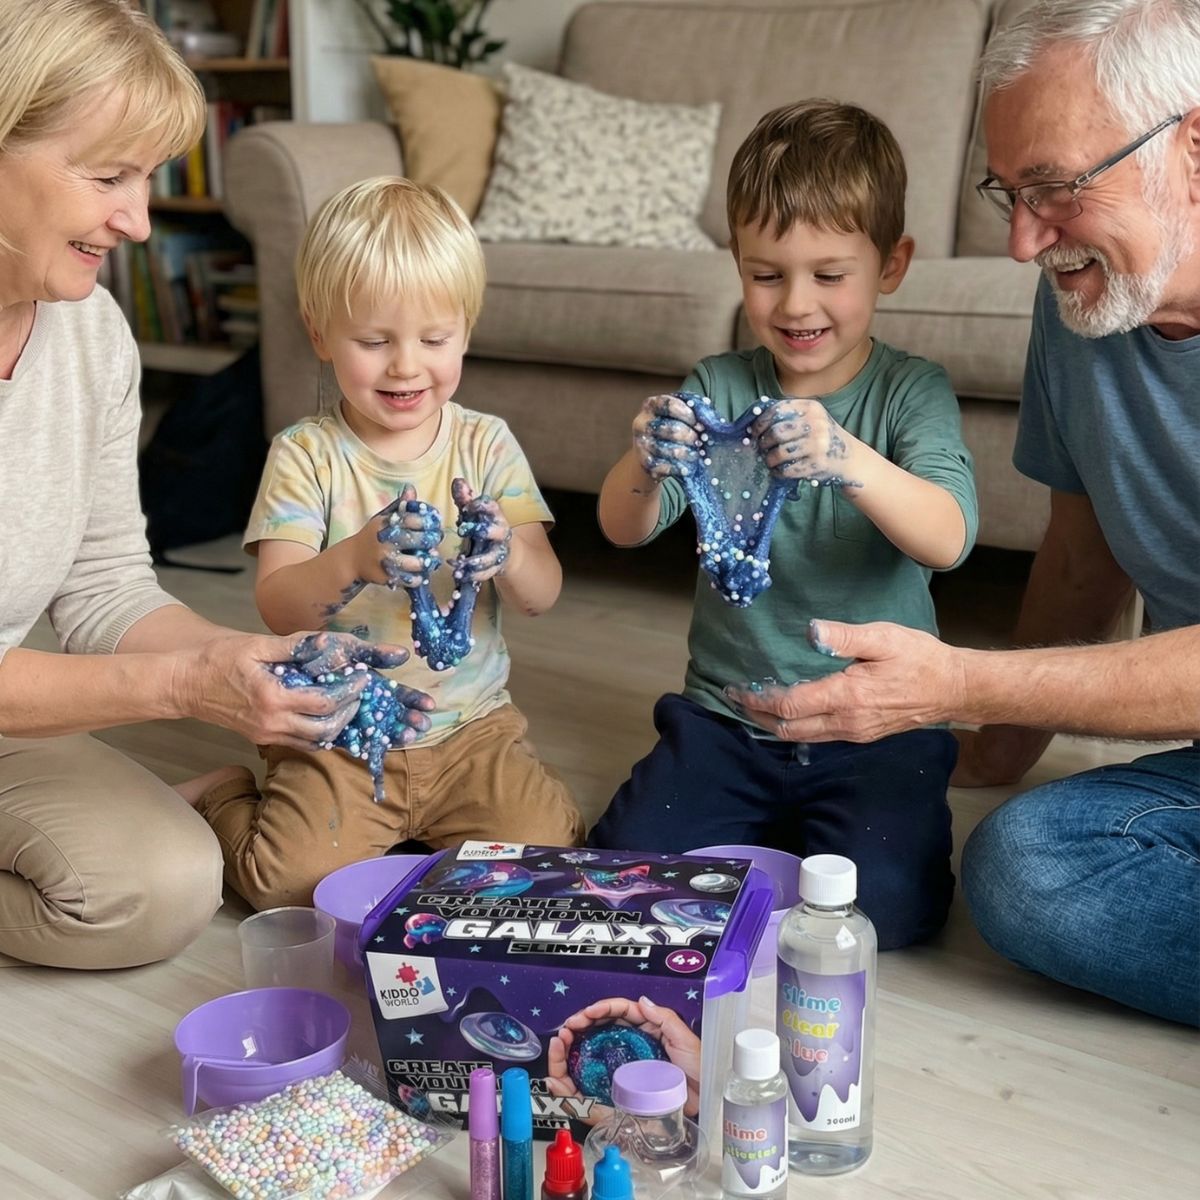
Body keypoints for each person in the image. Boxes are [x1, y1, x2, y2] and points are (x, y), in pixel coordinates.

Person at [728, 0, 1200, 1026]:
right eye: (1009, 192)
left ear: (1194, 146)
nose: (1025, 239)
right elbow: (1087, 546)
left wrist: (956, 682)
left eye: (1058, 188)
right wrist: (998, 735)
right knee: (1024, 868)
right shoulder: (1085, 306)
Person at [0, 0, 401, 971]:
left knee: (168, 882)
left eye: (147, 181)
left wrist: (255, 660)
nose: (137, 221)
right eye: (107, 177)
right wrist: (182, 686)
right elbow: (157, 675)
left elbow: (102, 586)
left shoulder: (89, 333)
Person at [588, 101, 979, 950]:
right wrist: (646, 461)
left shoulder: (911, 392)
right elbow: (623, 529)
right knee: (624, 869)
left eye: (829, 274)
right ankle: (777, 843)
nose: (796, 304)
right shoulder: (720, 384)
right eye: (767, 275)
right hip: (727, 721)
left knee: (896, 913)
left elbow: (947, 536)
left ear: (893, 265)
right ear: (738, 267)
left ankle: (795, 846)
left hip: (875, 727)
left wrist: (849, 458)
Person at [192, 177, 585, 910]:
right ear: (319, 334)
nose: (406, 365)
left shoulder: (486, 444)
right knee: (286, 886)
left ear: (465, 330)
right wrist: (351, 561)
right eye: (374, 341)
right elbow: (278, 605)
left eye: (434, 340)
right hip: (339, 727)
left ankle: (412, 841)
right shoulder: (305, 454)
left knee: (548, 857)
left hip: (470, 731)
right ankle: (224, 798)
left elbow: (544, 594)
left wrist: (510, 556)